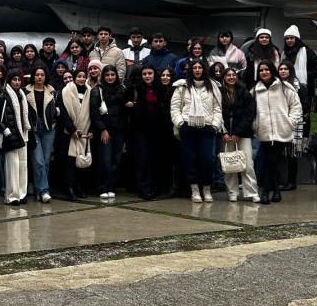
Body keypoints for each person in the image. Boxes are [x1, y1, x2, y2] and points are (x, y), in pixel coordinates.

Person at [171, 60, 223, 203]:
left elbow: (218, 108)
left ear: (204, 70)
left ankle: (206, 188)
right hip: (188, 127)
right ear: (190, 70)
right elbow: (175, 107)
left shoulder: (213, 86)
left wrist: (215, 125)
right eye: (195, 68)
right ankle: (194, 189)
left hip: (207, 127)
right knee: (190, 159)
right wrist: (181, 123)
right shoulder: (182, 86)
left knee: (208, 159)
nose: (198, 70)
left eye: (200, 67)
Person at [252, 61, 302, 204]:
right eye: (261, 70)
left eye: (267, 69)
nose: (264, 72)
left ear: (272, 70)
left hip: (282, 131)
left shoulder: (285, 87)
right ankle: (277, 192)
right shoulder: (255, 90)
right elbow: (252, 111)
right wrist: (256, 125)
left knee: (271, 161)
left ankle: (266, 192)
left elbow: (296, 106)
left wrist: (290, 122)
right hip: (264, 132)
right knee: (270, 161)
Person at [124, 65, 171, 199]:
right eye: (144, 74)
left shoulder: (160, 89)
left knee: (155, 158)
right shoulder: (134, 89)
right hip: (139, 129)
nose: (147, 76)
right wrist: (130, 107)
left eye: (150, 73)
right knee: (142, 158)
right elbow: (124, 107)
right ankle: (143, 189)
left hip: (156, 129)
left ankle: (155, 188)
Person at [219, 67, 259, 203]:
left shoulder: (244, 93)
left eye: (233, 75)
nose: (231, 77)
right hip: (225, 135)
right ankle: (232, 192)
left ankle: (252, 192)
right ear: (224, 77)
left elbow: (249, 114)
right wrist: (223, 132)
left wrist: (238, 132)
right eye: (228, 75)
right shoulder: (219, 93)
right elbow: (217, 113)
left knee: (247, 164)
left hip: (243, 134)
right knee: (229, 165)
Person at [0, 68, 31, 206]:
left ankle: (22, 194)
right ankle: (12, 196)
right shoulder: (2, 96)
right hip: (10, 135)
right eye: (14, 79)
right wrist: (4, 129)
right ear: (9, 81)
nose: (17, 82)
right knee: (12, 166)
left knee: (23, 166)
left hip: (23, 134)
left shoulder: (22, 95)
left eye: (18, 79)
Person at [90, 65, 126, 198]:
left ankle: (112, 187)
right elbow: (94, 112)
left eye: (112, 75)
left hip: (119, 129)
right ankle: (102, 187)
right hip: (105, 129)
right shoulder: (97, 91)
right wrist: (102, 129)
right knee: (105, 160)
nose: (110, 77)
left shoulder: (122, 89)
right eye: (107, 75)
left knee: (116, 160)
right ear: (103, 77)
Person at [57, 69, 93, 200]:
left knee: (81, 164)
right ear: (74, 78)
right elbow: (64, 113)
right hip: (69, 134)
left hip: (84, 133)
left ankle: (80, 187)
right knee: (69, 164)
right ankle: (69, 189)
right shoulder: (65, 92)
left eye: (84, 77)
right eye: (79, 76)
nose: (82, 79)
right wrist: (72, 130)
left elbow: (93, 113)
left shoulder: (90, 92)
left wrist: (90, 130)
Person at [277, 60, 311, 192]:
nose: (283, 71)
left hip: (294, 124)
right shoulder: (275, 85)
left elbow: (305, 104)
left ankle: (292, 181)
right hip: (278, 123)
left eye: (286, 69)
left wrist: (292, 115)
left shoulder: (300, 86)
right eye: (281, 69)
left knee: (292, 154)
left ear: (290, 71)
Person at [26, 67, 58, 202]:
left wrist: (56, 113)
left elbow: (59, 107)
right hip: (34, 129)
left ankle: (39, 190)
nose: (39, 77)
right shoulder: (25, 91)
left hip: (48, 128)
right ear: (33, 76)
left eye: (42, 75)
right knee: (38, 160)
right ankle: (44, 190)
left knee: (45, 161)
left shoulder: (52, 91)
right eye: (37, 75)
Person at [282, 25, 317, 104]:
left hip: (305, 87)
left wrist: (306, 74)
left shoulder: (307, 52)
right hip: (287, 86)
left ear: (297, 39)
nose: (289, 40)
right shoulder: (284, 53)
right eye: (287, 38)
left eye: (292, 38)